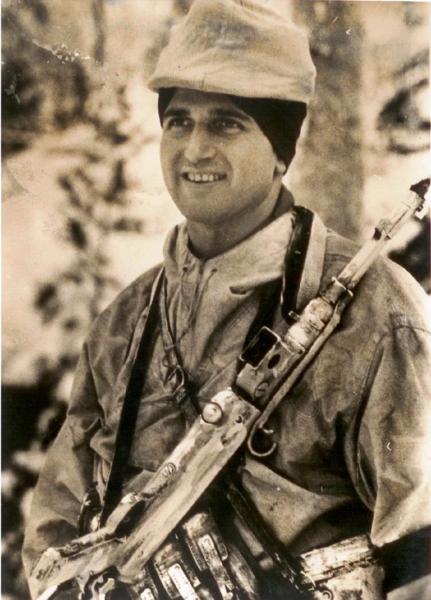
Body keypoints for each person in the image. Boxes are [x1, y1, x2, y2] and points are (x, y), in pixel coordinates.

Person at [23, 0, 431, 598]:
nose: (194, 150)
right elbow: (55, 528)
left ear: (281, 151)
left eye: (227, 123)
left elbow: (421, 556)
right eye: (179, 121)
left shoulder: (376, 310)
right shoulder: (124, 323)